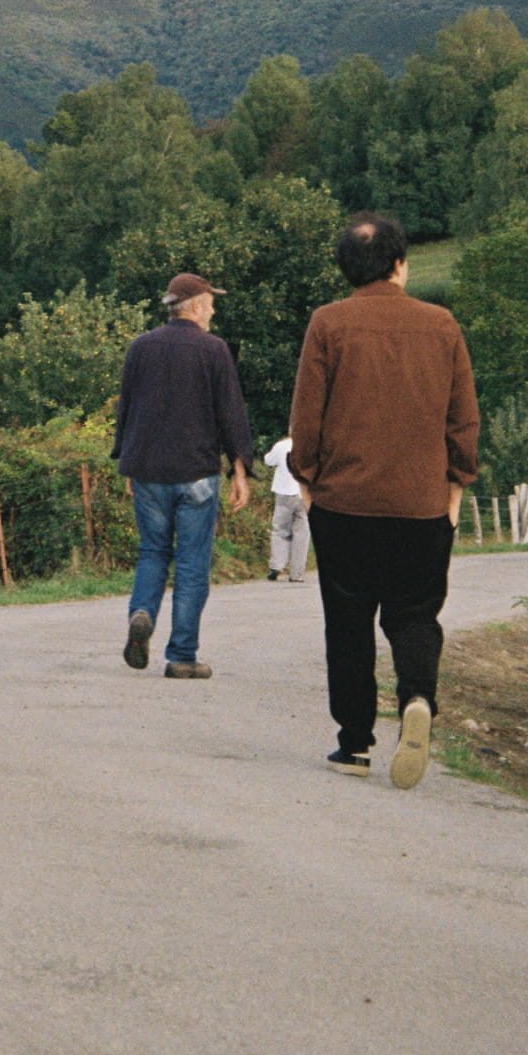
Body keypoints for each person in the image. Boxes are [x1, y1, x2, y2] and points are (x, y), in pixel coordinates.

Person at [288, 213, 477, 786]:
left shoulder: (327, 323)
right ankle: (417, 699)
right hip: (420, 503)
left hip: (344, 503)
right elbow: (462, 419)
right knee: (415, 614)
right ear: (399, 264)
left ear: (349, 268)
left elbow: (307, 415)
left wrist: (308, 475)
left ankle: (354, 743)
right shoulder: (442, 325)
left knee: (347, 621)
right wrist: (455, 484)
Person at [113, 272, 253, 680]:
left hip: (148, 470)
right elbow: (231, 412)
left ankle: (141, 613)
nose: (212, 310)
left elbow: (127, 407)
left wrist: (127, 460)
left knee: (152, 552)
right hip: (196, 472)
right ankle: (182, 656)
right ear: (193, 305)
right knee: (192, 562)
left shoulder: (141, 347)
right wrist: (240, 469)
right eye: (210, 302)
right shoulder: (213, 349)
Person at [262, 432, 309, 582]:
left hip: (284, 493)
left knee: (280, 529)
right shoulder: (309, 447)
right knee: (301, 534)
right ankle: (297, 573)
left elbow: (268, 461)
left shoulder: (281, 446)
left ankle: (277, 565)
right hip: (303, 493)